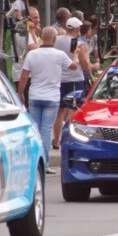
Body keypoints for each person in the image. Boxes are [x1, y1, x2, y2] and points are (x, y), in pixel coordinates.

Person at [17, 26, 78, 173]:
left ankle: (33, 163)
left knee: (35, 130)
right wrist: (75, 54)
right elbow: (74, 67)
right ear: (55, 39)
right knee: (46, 131)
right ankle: (44, 164)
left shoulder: (32, 54)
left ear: (41, 38)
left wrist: (20, 93)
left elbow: (24, 75)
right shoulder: (59, 55)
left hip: (35, 96)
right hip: (52, 98)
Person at [52, 17, 93, 149]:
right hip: (74, 79)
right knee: (72, 111)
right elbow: (84, 63)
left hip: (58, 79)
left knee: (59, 111)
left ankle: (56, 140)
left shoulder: (56, 40)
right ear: (77, 29)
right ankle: (68, 139)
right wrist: (91, 75)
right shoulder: (76, 43)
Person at [12, 7, 42, 106]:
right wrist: (43, 41)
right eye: (34, 18)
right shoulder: (22, 32)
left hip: (31, 73)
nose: (37, 20)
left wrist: (33, 31)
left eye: (38, 17)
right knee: (27, 105)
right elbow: (34, 49)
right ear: (26, 19)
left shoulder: (29, 31)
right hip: (22, 74)